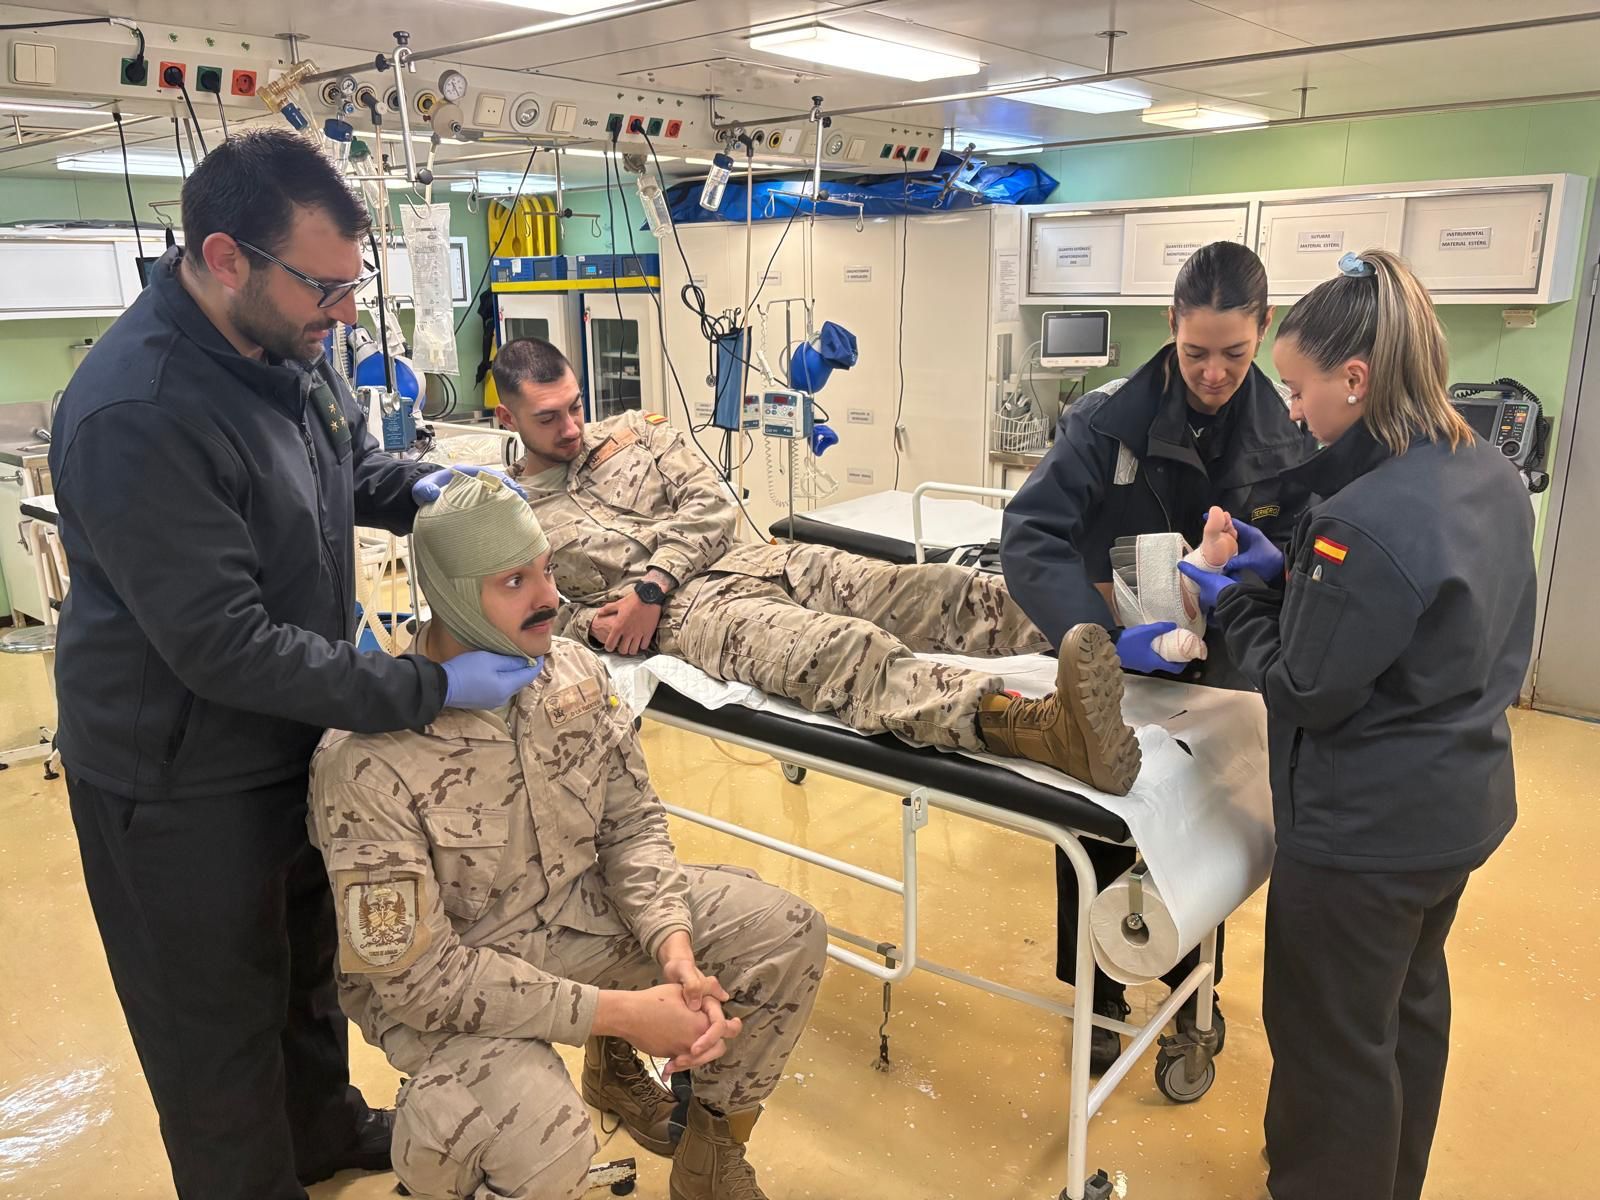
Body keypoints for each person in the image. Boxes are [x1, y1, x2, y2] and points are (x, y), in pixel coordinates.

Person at [48, 128, 535, 1200]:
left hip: (288, 743)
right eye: (324, 286)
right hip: (174, 778)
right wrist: (431, 686)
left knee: (305, 974)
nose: (346, 311)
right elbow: (224, 645)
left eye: (351, 285)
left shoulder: (286, 351)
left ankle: (319, 1132)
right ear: (227, 259)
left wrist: (424, 489)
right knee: (214, 1026)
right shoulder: (143, 412)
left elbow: (343, 464)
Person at [307, 471, 829, 1200]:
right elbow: (419, 982)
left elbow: (632, 827)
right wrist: (622, 1017)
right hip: (457, 977)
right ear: (455, 595)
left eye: (547, 568)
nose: (549, 597)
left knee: (782, 933)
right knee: (535, 1131)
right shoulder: (366, 757)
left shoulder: (571, 670)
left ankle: (711, 1160)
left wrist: (673, 951)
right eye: (514, 581)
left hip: (575, 918)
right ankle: (445, 1172)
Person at [1179, 250, 1535, 1200]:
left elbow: (1302, 686)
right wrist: (1293, 575)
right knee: (1405, 1014)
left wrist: (1228, 600)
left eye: (1296, 388)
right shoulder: (1487, 472)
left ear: (1356, 378)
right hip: (1453, 814)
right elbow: (1420, 623)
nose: (1290, 410)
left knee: (1330, 1047)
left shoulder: (1361, 520)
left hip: (1362, 840)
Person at [488, 336, 1145, 797]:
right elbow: (539, 615)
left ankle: (1122, 629)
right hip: (704, 620)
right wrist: (598, 627)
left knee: (923, 588)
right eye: (549, 418)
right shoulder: (508, 516)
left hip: (761, 563)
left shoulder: (638, 431)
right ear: (506, 416)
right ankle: (1039, 728)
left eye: (576, 406)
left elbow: (712, 506)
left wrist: (652, 584)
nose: (573, 427)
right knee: (844, 652)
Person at [999, 242, 1319, 1073]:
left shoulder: (1292, 434)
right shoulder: (1106, 421)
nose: (1214, 373)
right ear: (1171, 326)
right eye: (1195, 352)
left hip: (1225, 670)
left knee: (1202, 824)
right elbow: (1033, 537)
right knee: (1095, 825)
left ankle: (1192, 988)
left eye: (1235, 354)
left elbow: (1310, 551)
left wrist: (1268, 572)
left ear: (1266, 330)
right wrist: (1096, 642)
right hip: (1118, 665)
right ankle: (1097, 1003)